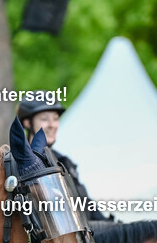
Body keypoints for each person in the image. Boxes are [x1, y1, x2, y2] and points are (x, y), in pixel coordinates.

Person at [17, 93, 109, 221]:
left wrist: (111, 224)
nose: (52, 125)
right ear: (27, 123)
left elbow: (87, 205)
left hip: (86, 229)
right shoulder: (19, 165)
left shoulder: (64, 162)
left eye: (55, 118)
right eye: (44, 119)